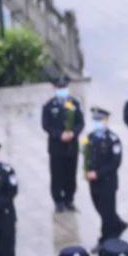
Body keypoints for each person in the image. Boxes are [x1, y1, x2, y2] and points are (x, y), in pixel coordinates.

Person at [42, 75, 84, 213]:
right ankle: (58, 201)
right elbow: (46, 125)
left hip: (72, 146)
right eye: (60, 87)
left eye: (64, 87)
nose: (62, 89)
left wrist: (73, 133)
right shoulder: (49, 106)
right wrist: (59, 135)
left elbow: (80, 123)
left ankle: (69, 199)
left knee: (71, 174)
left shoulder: (74, 103)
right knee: (57, 175)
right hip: (56, 147)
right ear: (54, 88)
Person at [84, 107, 127, 242]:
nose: (97, 123)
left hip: (107, 182)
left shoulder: (112, 139)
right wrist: (86, 170)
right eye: (95, 120)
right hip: (94, 182)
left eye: (100, 120)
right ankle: (118, 224)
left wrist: (97, 173)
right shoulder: (91, 137)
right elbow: (88, 157)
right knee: (100, 208)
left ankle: (106, 238)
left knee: (107, 211)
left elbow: (115, 163)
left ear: (106, 121)